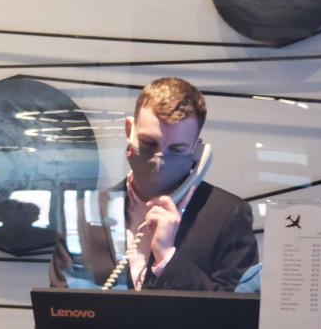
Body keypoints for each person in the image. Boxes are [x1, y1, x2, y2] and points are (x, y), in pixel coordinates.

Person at [49, 77, 258, 291]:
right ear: (129, 129)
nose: (158, 160)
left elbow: (235, 315)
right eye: (148, 143)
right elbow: (58, 310)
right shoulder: (83, 214)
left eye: (176, 150)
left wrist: (167, 258)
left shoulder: (227, 215)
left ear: (197, 150)